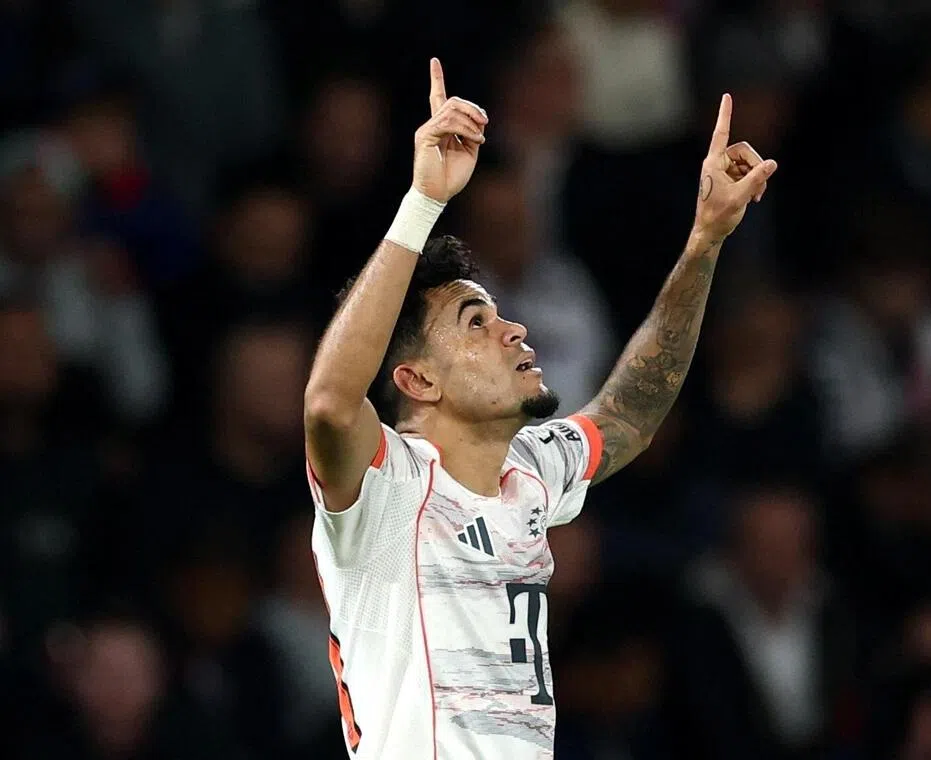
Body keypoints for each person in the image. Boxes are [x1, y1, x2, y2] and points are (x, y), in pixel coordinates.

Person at [302, 58, 778, 760]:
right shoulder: (385, 485)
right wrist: (422, 201)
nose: (513, 330)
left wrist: (704, 243)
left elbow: (629, 413)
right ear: (418, 381)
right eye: (474, 322)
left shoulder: (530, 471)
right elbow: (328, 402)